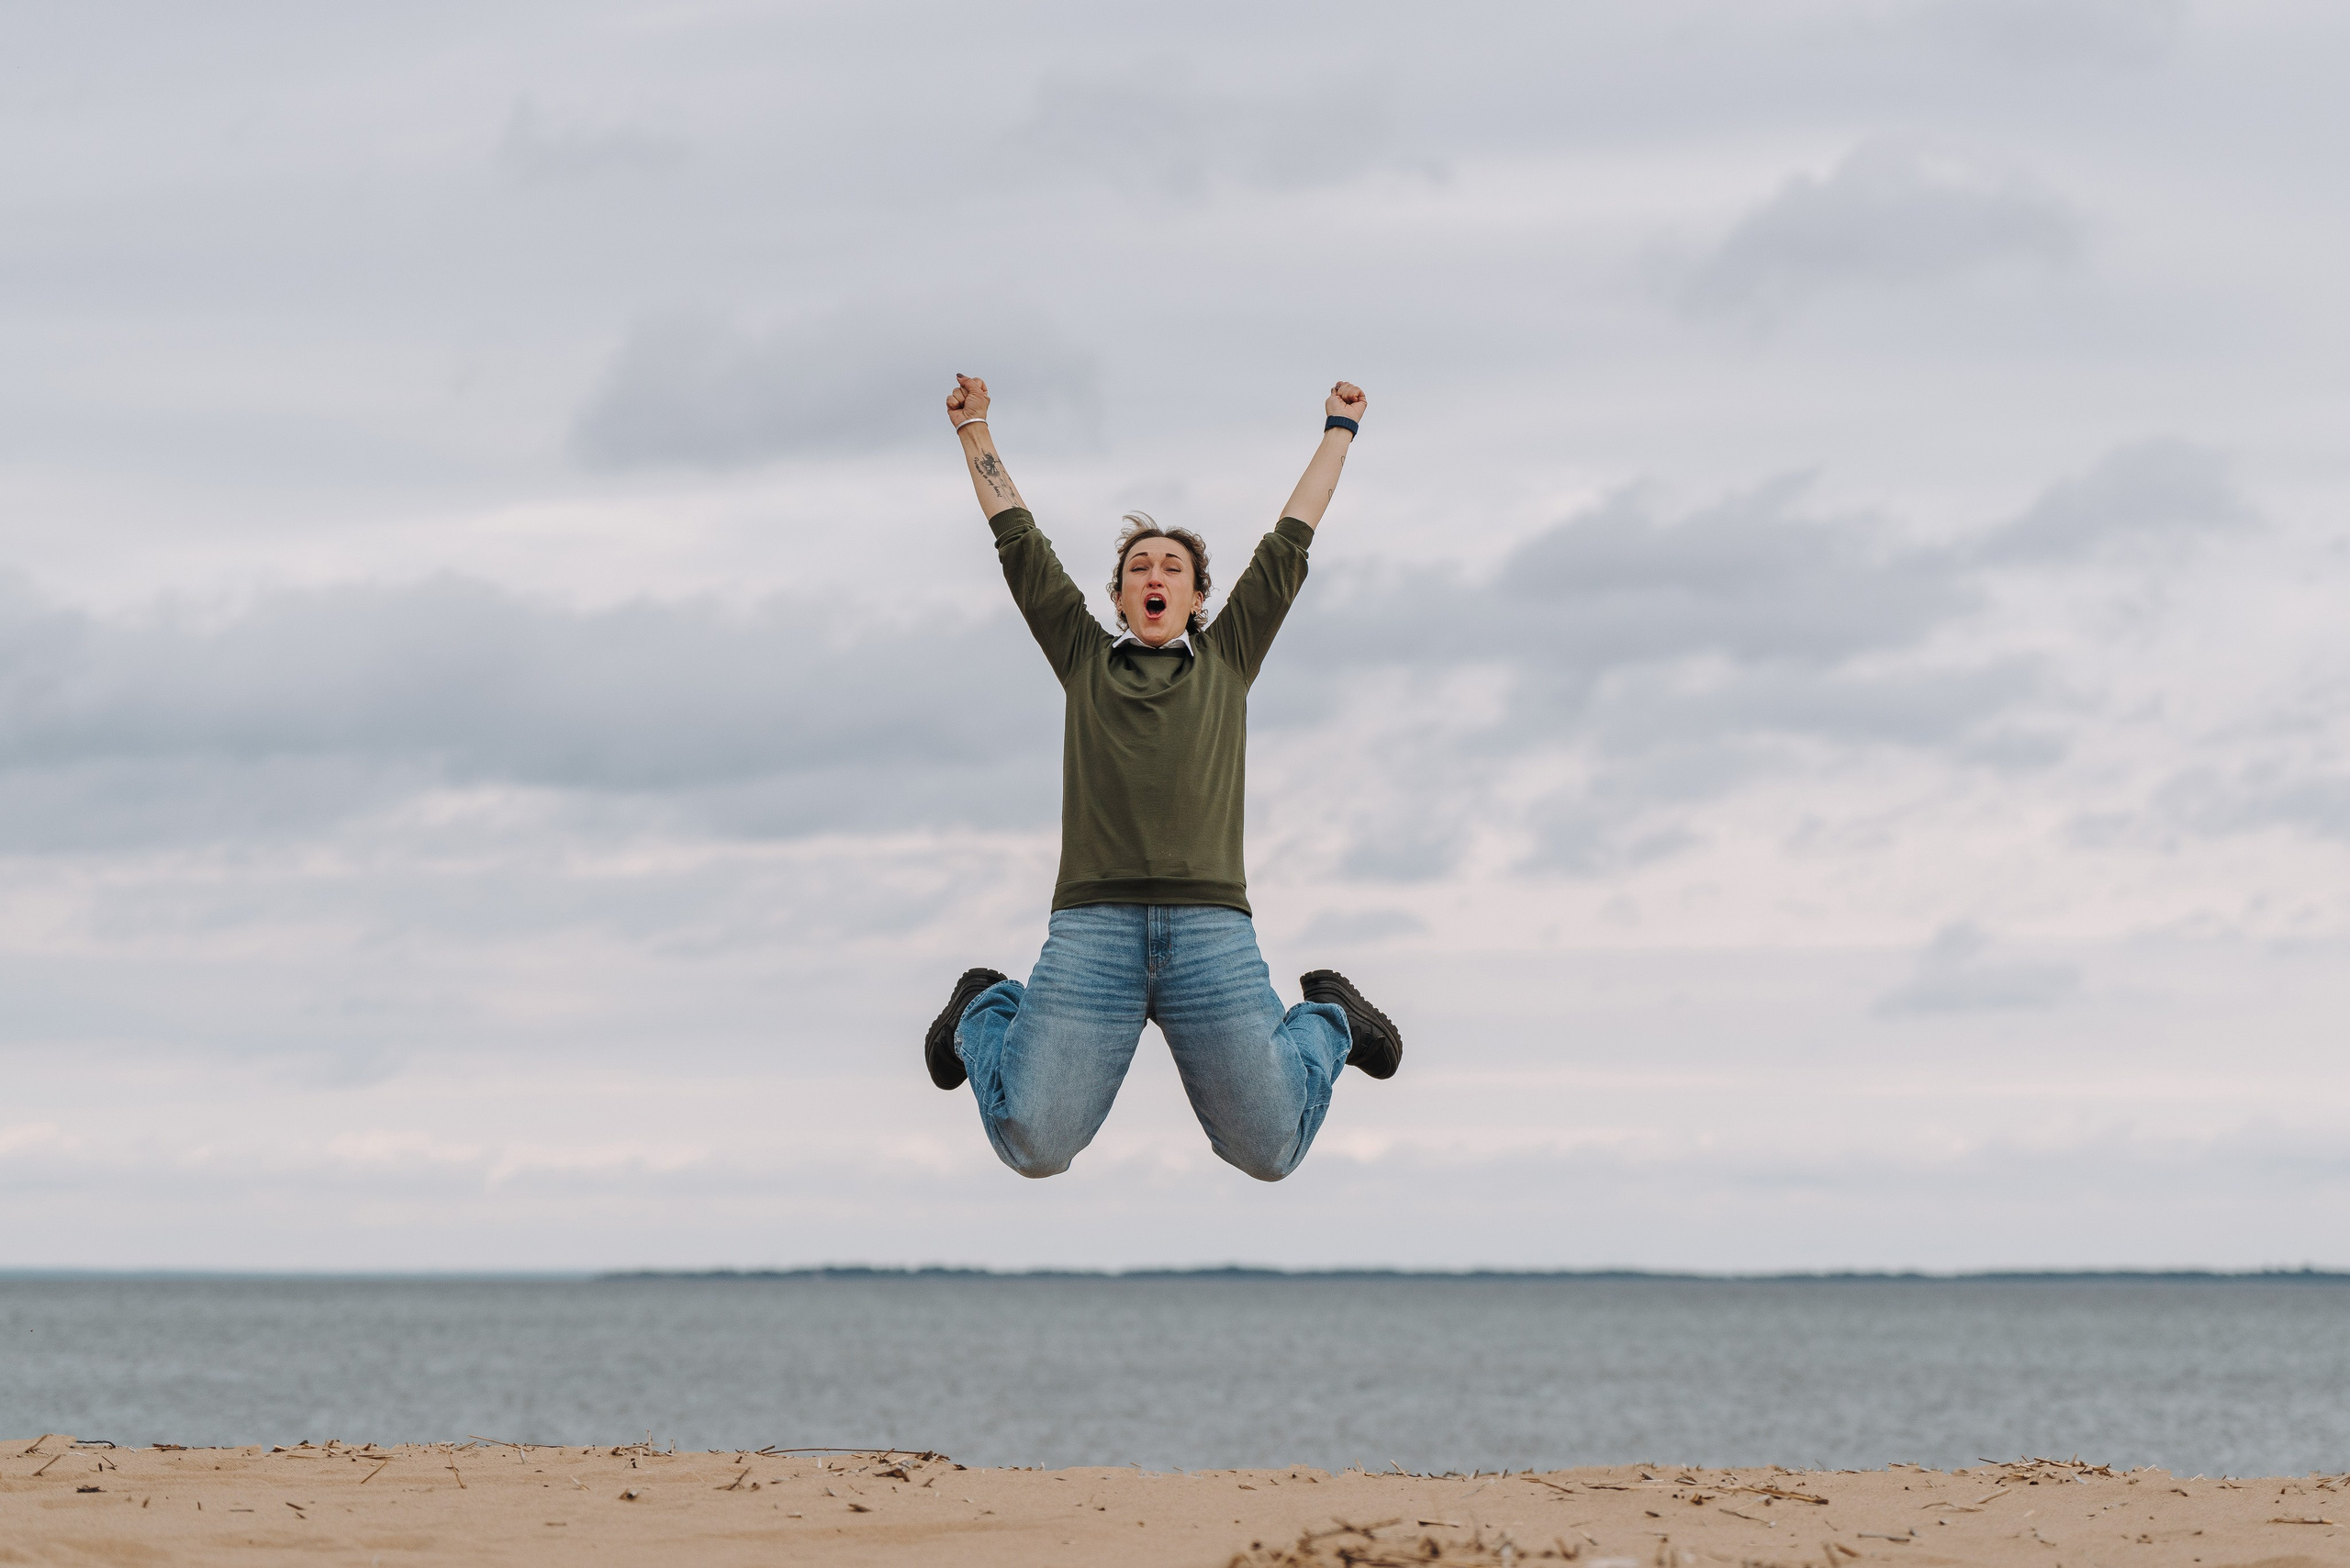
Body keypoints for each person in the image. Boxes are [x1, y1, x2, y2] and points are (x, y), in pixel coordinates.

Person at [920, 373, 1403, 1182]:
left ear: (1197, 596)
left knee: (1270, 1150)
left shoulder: (1229, 658)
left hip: (1208, 933)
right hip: (1094, 933)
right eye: (1140, 566)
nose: (1156, 575)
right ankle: (982, 1007)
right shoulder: (1084, 660)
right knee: (1034, 1144)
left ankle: (1332, 1021)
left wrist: (1338, 429)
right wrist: (974, 429)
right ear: (1117, 597)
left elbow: (1293, 533)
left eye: (1173, 567)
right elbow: (1017, 539)